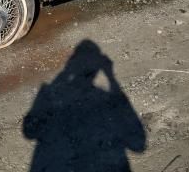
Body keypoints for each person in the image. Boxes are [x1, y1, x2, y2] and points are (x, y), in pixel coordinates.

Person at [23, 40, 146, 171]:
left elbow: (29, 132)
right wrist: (111, 77)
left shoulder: (51, 95)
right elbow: (138, 144)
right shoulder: (103, 99)